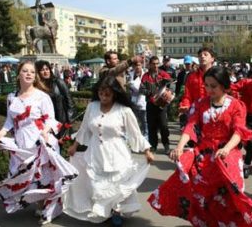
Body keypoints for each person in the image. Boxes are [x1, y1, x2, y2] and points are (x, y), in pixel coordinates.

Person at [148, 66, 252, 227]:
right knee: (201, 196)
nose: (209, 89)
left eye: (213, 86)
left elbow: (238, 131)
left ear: (224, 85)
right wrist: (179, 146)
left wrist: (226, 149)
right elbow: (191, 126)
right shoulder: (200, 103)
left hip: (227, 155)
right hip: (204, 156)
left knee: (229, 197)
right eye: (206, 85)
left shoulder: (236, 105)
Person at [0, 61, 78, 225]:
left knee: (44, 174)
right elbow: (10, 121)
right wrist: (2, 132)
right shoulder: (11, 97)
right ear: (19, 74)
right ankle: (36, 202)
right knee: (27, 174)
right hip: (22, 142)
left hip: (40, 140)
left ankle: (47, 207)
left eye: (32, 71)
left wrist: (46, 132)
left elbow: (51, 119)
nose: (29, 74)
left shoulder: (42, 96)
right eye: (25, 71)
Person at [64, 75, 154, 226]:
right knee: (96, 183)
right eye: (101, 93)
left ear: (115, 93)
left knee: (117, 183)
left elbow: (135, 134)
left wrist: (147, 151)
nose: (103, 96)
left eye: (107, 94)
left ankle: (116, 210)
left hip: (116, 152)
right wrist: (74, 146)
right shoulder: (91, 107)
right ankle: (103, 211)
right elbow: (84, 128)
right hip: (95, 152)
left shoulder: (124, 111)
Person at [35, 60, 76, 139]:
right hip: (45, 120)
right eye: (42, 70)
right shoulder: (37, 87)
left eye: (47, 69)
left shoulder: (58, 82)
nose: (46, 72)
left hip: (60, 118)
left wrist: (70, 120)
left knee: (59, 143)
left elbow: (70, 101)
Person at [140, 56, 172, 153]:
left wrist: (169, 91)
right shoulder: (145, 76)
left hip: (162, 104)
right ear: (149, 64)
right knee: (151, 126)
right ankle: (153, 146)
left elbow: (172, 84)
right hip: (150, 104)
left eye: (157, 63)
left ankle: (166, 145)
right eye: (153, 63)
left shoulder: (163, 74)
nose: (155, 65)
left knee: (163, 126)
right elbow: (141, 90)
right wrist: (151, 93)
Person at [128, 61, 148, 138]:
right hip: (133, 101)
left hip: (143, 101)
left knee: (145, 122)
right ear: (133, 66)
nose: (137, 67)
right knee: (134, 121)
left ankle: (146, 139)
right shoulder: (130, 75)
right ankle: (136, 138)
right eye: (135, 65)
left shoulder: (145, 74)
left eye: (139, 65)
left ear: (141, 65)